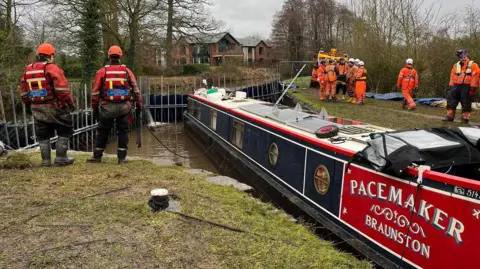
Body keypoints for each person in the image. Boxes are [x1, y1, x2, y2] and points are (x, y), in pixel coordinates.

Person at [19, 43, 75, 167]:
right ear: (50, 55)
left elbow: (23, 92)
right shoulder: (52, 68)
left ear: (38, 55)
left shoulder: (28, 69)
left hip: (36, 107)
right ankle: (61, 158)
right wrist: (70, 103)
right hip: (54, 106)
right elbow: (62, 90)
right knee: (64, 129)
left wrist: (28, 106)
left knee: (42, 133)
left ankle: (46, 161)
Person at [87, 45, 143, 164]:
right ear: (120, 57)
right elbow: (136, 90)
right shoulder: (127, 71)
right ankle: (121, 158)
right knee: (122, 131)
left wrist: (95, 108)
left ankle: (97, 157)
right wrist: (139, 105)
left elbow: (95, 93)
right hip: (124, 107)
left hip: (107, 107)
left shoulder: (102, 72)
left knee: (103, 131)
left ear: (109, 57)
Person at [443, 49, 479, 123]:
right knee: (451, 101)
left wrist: (473, 87)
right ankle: (449, 116)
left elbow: (475, 76)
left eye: (464, 56)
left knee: (466, 102)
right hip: (456, 86)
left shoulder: (473, 65)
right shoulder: (456, 65)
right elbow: (452, 76)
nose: (463, 58)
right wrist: (451, 86)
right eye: (461, 56)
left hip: (467, 86)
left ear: (466, 55)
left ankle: (465, 118)